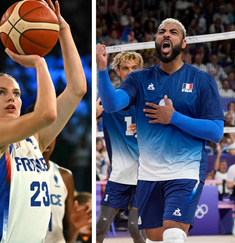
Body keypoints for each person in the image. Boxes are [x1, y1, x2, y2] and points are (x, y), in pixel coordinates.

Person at [97, 18, 224, 243]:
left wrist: (174, 117)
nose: (166, 34)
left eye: (173, 32)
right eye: (161, 31)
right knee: (154, 239)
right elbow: (111, 105)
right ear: (156, 41)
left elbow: (216, 132)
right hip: (148, 175)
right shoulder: (139, 78)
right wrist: (101, 71)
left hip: (185, 171)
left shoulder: (202, 80)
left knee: (174, 234)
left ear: (183, 43)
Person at [0, 1, 87, 242]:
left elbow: (77, 89)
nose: (11, 98)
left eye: (16, 93)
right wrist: (39, 62)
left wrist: (63, 31)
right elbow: (47, 114)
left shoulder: (33, 140)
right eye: (1, 92)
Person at [95, 51, 146, 243]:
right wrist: (94, 113)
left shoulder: (150, 99)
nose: (130, 72)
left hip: (146, 174)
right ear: (117, 72)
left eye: (134, 68)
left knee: (135, 227)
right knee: (100, 227)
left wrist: (146, 126)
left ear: (140, 70)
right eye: (125, 68)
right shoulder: (108, 100)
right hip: (120, 175)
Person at [25, 105, 92, 243]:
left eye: (51, 130)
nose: (47, 136)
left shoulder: (65, 176)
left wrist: (75, 226)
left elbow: (68, 237)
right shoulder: (13, 171)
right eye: (39, 130)